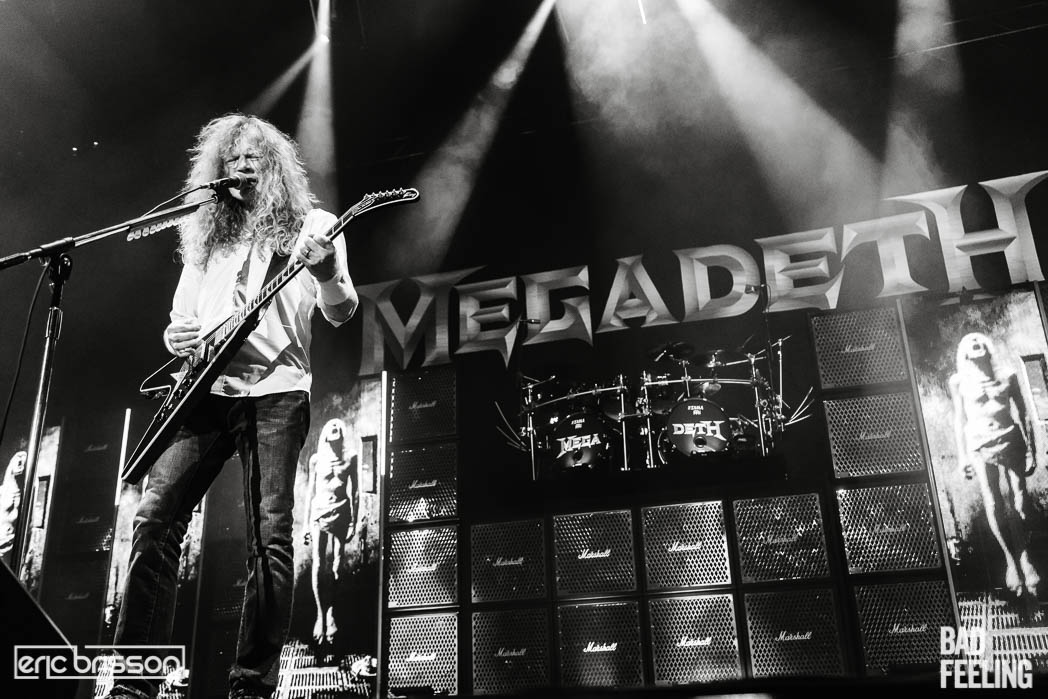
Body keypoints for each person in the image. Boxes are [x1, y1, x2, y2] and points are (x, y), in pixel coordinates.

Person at [105, 113, 358, 699]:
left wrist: (327, 272)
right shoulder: (207, 233)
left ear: (275, 167)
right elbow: (182, 319)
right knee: (154, 520)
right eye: (232, 159)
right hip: (204, 392)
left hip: (276, 392)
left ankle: (250, 684)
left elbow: (342, 310)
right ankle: (135, 682)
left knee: (269, 538)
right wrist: (176, 335)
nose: (241, 166)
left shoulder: (312, 225)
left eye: (253, 158)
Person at [949, 331, 1040, 599]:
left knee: (1020, 503)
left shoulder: (1008, 375)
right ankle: (1012, 561)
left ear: (988, 348)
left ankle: (1026, 556)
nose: (976, 343)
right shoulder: (959, 381)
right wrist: (962, 456)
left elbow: (1023, 413)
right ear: (964, 353)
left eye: (979, 340)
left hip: (1011, 440)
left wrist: (1033, 449)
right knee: (993, 503)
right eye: (970, 342)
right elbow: (959, 419)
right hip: (980, 446)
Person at [304, 418, 357, 647]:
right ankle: (319, 613)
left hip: (341, 513)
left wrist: (353, 522)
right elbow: (310, 492)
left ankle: (331, 613)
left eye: (338, 427)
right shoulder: (316, 459)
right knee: (318, 564)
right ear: (325, 434)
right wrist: (305, 525)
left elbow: (355, 491)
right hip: (319, 514)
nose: (334, 427)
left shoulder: (351, 458)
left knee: (337, 565)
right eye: (331, 427)